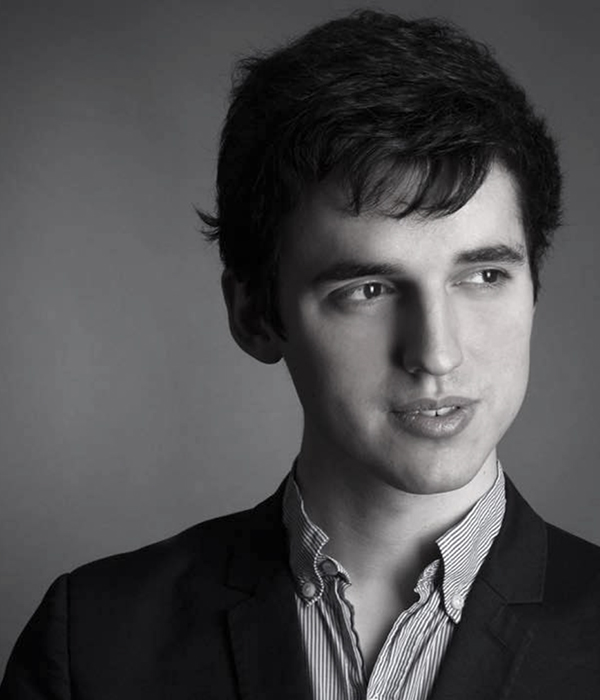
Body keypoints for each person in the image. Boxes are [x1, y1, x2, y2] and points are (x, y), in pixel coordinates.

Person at [2, 9, 600, 700]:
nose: (437, 353)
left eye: (485, 276)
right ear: (255, 315)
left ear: (534, 288)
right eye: (368, 289)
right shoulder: (93, 645)